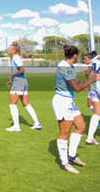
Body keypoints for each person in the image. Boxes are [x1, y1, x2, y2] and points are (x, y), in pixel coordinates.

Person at [52, 45, 99, 174]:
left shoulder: (70, 66)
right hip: (62, 102)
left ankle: (71, 157)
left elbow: (77, 83)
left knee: (81, 127)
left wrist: (85, 85)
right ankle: (64, 163)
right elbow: (77, 88)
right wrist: (92, 80)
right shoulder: (65, 66)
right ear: (75, 56)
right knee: (64, 133)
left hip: (68, 101)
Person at [6, 43, 41, 131]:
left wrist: (12, 75)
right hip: (22, 83)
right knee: (26, 104)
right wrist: (11, 81)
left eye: (9, 48)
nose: (8, 50)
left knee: (12, 104)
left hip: (19, 84)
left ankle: (16, 126)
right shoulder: (16, 58)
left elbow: (22, 69)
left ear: (14, 50)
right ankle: (37, 123)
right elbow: (20, 71)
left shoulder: (16, 58)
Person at [86, 51, 100, 145]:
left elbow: (87, 73)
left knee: (97, 113)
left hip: (94, 87)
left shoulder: (95, 59)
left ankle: (90, 138)